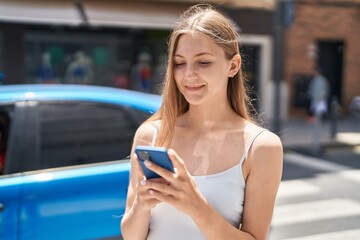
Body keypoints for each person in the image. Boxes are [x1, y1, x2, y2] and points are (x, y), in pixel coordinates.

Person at [121, 4, 283, 240]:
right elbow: (131, 235)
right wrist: (141, 206)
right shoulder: (150, 135)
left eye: (203, 62)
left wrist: (196, 207)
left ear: (233, 65)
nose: (188, 75)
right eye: (179, 63)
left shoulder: (262, 147)